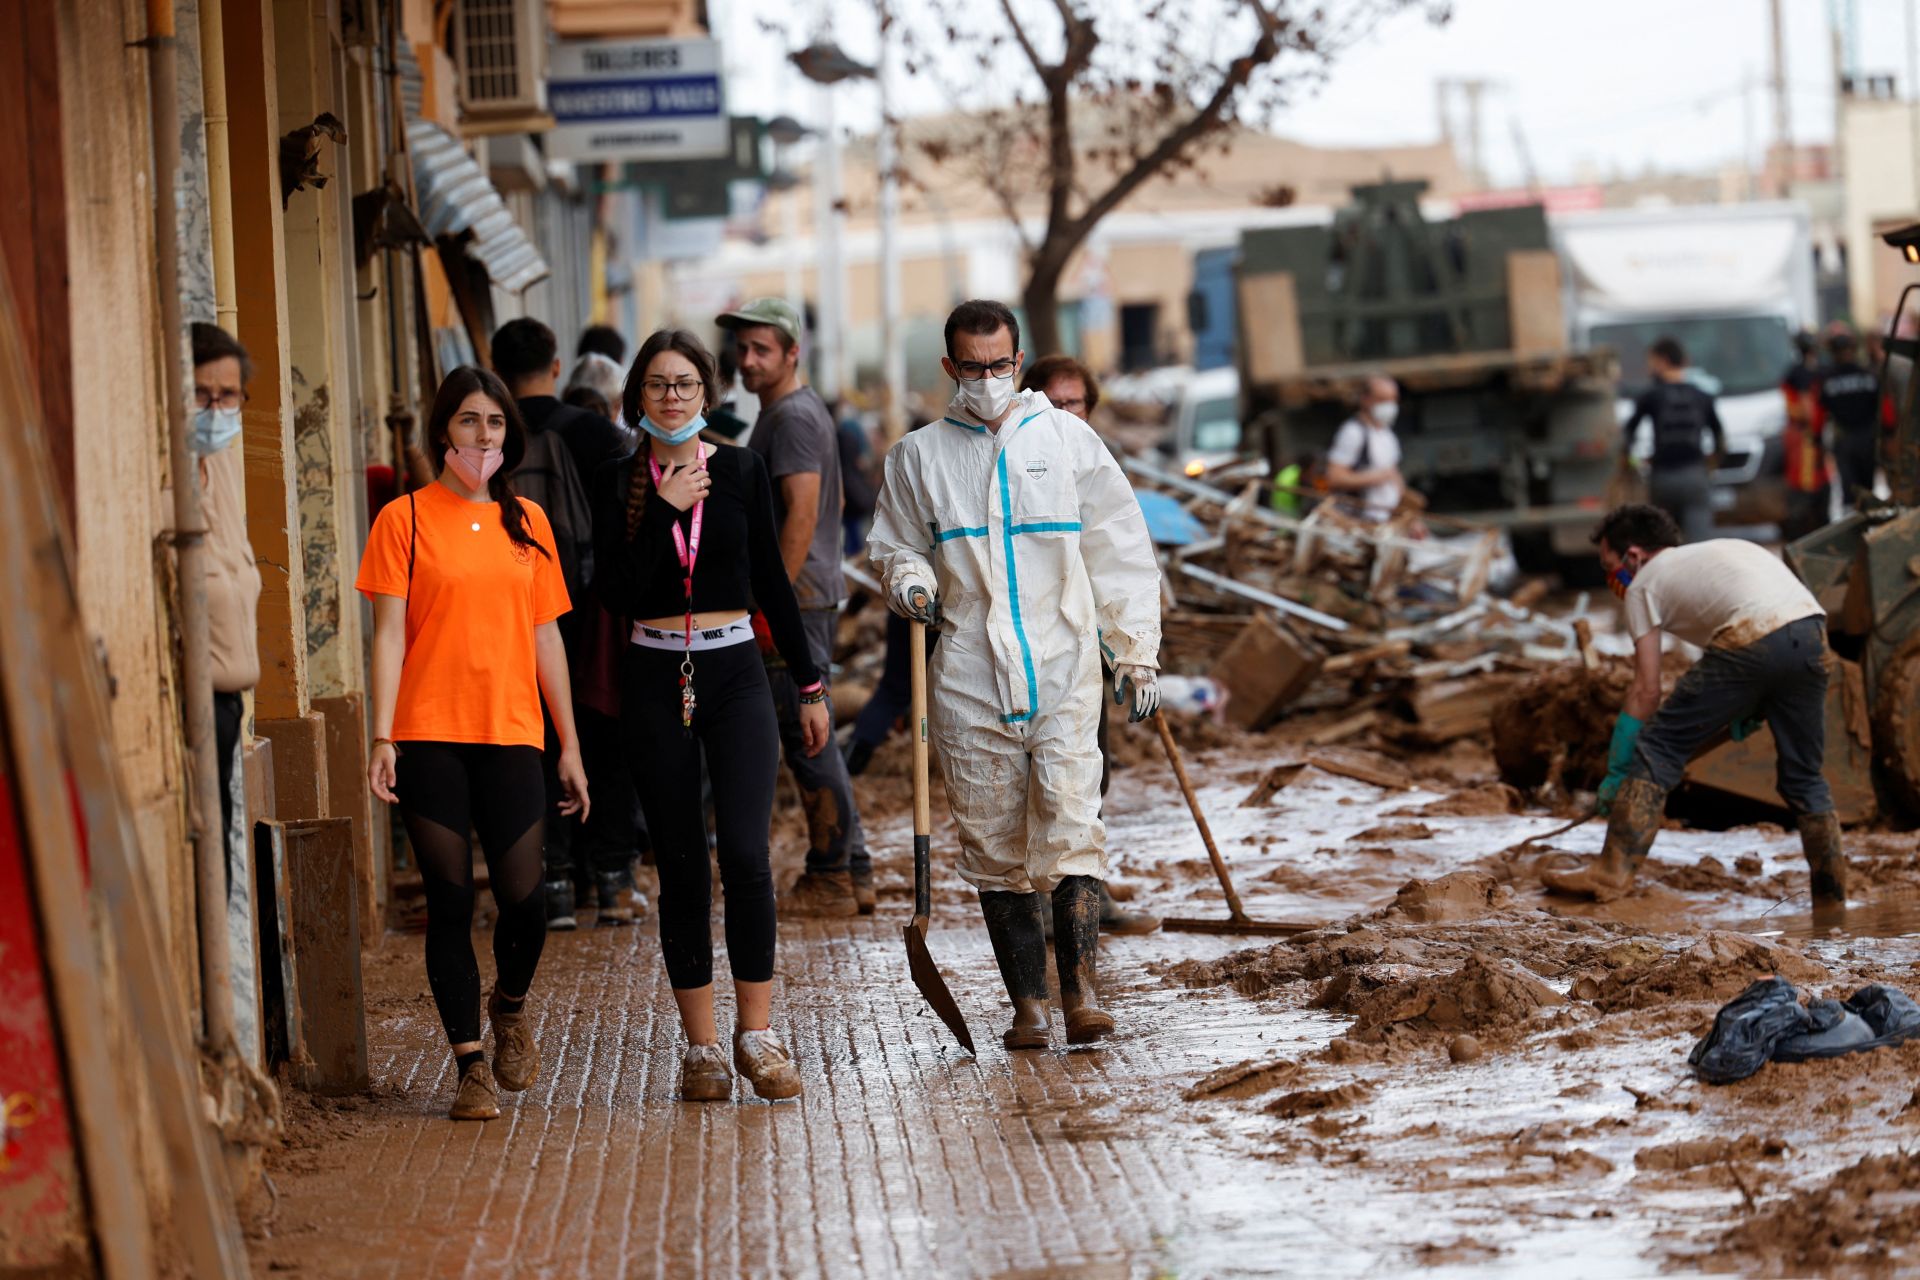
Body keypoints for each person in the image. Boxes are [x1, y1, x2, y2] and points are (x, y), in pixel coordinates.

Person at [868, 299, 1163, 1049]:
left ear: (1019, 361)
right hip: (969, 674)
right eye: (974, 366)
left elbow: (1118, 545)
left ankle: (1082, 994)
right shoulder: (920, 457)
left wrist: (1134, 648)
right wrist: (908, 578)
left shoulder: (1068, 442)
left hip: (1062, 664)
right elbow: (896, 544)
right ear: (949, 368)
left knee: (1072, 826)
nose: (990, 379)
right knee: (996, 847)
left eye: (1001, 365)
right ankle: (1028, 1005)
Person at [590, 328, 830, 1102]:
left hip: (734, 671)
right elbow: (616, 593)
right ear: (638, 398)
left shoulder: (743, 469)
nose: (671, 397)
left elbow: (769, 580)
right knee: (682, 863)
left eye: (685, 384)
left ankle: (755, 1034)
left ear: (708, 393)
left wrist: (812, 683)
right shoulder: (615, 480)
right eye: (657, 385)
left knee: (749, 857)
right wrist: (662, 510)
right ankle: (700, 1047)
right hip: (654, 672)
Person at [359, 366, 588, 1121]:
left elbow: (546, 637)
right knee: (451, 900)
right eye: (467, 422)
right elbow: (389, 634)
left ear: (508, 434)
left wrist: (570, 746)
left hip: (512, 731)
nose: (481, 436)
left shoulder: (529, 523)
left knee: (526, 900)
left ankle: (510, 1003)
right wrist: (383, 733)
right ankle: (469, 1068)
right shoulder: (405, 520)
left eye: (493, 423)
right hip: (428, 734)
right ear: (443, 430)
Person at [1541, 504, 1845, 910]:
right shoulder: (1723, 551)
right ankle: (1830, 898)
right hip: (1811, 635)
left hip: (1751, 637)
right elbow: (1772, 624)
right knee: (1804, 777)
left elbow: (1646, 690)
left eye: (1609, 565)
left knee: (1658, 748)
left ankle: (1610, 873)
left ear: (1633, 556)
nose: (1610, 577)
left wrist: (1620, 768)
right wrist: (1746, 704)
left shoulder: (1645, 583)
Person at [715, 298, 873, 917]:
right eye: (743, 349)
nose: (748, 361)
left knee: (806, 734)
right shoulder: (788, 414)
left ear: (791, 353)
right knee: (815, 730)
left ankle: (832, 873)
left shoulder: (793, 420)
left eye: (762, 350)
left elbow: (805, 512)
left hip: (797, 603)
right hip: (806, 595)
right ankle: (853, 868)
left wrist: (770, 602)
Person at [493, 318, 640, 929]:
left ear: (497, 372)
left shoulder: (493, 440)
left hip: (513, 614)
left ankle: (551, 881)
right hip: (599, 617)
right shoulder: (600, 434)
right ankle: (610, 880)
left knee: (535, 741)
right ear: (556, 366)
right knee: (605, 737)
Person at [1020, 352, 1156, 934]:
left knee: (1089, 769)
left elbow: (1122, 550)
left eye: (1076, 403)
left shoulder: (1099, 466)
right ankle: (1041, 899)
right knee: (1035, 776)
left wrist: (1133, 642)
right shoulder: (1021, 467)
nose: (1066, 413)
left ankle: (1086, 894)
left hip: (1088, 643)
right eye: (1054, 402)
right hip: (1032, 642)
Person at [190, 324, 263, 911]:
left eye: (228, 396)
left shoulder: (223, 463)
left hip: (228, 698)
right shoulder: (171, 471)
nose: (216, 409)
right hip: (194, 699)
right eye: (202, 395)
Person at [1620, 337, 1725, 544]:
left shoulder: (1650, 396)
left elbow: (1628, 433)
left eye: (1651, 362)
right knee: (1699, 545)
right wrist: (1711, 464)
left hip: (1662, 479)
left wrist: (1631, 462)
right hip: (1695, 476)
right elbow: (1720, 437)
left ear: (1662, 361)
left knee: (1664, 544)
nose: (1649, 368)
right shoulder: (1702, 396)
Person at [1324, 376, 1407, 522]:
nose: (1390, 405)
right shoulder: (1353, 432)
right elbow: (1334, 477)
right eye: (1382, 399)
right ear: (1365, 399)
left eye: (1393, 399)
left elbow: (1394, 476)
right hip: (1358, 520)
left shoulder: (1387, 435)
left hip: (1384, 519)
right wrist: (1375, 477)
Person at [1779, 332, 1832, 542]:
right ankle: (1808, 531)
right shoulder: (1807, 372)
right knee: (1807, 483)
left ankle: (1809, 528)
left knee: (1809, 481)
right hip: (1805, 435)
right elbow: (1807, 405)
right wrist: (1815, 431)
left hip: (1802, 433)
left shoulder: (1796, 371)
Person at [1818, 331, 1881, 508]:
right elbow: (1883, 407)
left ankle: (1856, 526)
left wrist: (1817, 439)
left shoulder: (1828, 380)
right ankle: (1866, 520)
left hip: (1845, 439)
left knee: (1850, 488)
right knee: (1866, 486)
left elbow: (1820, 411)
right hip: (1866, 438)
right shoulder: (1868, 375)